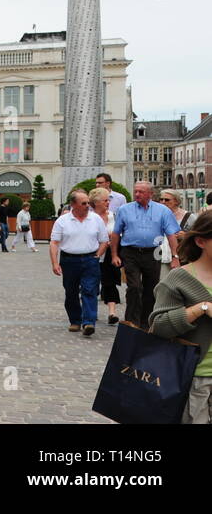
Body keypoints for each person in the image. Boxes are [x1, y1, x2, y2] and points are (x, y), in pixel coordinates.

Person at [149, 212, 212, 424]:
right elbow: (159, 326)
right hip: (197, 378)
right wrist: (200, 308)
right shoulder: (179, 278)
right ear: (201, 241)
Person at [111, 181, 181, 326]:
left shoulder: (162, 211)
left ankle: (146, 322)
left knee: (151, 288)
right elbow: (116, 233)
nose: (137, 194)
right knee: (134, 287)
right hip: (130, 252)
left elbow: (171, 235)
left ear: (150, 194)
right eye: (135, 191)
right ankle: (132, 321)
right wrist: (114, 255)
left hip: (153, 252)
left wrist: (175, 257)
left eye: (141, 192)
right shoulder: (124, 209)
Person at [49, 189, 110, 337]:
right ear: (73, 204)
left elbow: (104, 240)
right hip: (69, 260)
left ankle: (89, 322)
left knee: (89, 290)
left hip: (90, 259)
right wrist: (55, 263)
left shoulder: (95, 219)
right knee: (71, 291)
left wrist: (97, 255)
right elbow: (54, 243)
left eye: (88, 203)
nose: (87, 206)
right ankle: (75, 320)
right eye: (83, 203)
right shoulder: (62, 221)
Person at [89, 190, 121, 324]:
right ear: (96, 203)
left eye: (109, 200)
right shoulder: (89, 217)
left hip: (110, 254)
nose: (108, 203)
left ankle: (112, 313)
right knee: (91, 284)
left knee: (110, 283)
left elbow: (119, 233)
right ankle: (91, 312)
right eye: (105, 201)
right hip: (93, 253)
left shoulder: (113, 216)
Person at [157, 190, 194, 278]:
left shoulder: (189, 217)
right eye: (161, 199)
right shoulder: (156, 215)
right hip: (160, 257)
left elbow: (200, 235)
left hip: (183, 258)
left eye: (167, 200)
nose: (163, 202)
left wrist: (186, 236)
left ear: (176, 201)